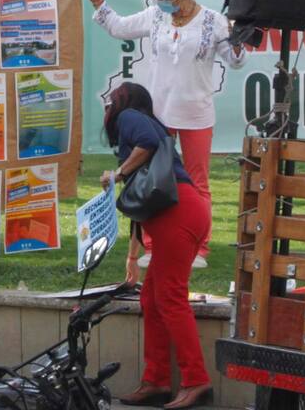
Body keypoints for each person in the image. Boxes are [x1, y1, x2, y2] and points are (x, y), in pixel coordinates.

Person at [73, 0, 244, 266]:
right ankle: (152, 246)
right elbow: (118, 27)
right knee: (150, 178)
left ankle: (199, 249)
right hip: (160, 113)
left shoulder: (213, 22)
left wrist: (239, 38)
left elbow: (235, 61)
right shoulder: (155, 16)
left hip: (197, 114)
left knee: (197, 182)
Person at [100, 82, 212, 410]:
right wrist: (132, 257)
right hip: (179, 214)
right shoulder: (142, 124)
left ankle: (197, 381)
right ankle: (156, 381)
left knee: (170, 297)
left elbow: (148, 143)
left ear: (125, 102)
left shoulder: (130, 116)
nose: (108, 106)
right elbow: (142, 208)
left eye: (112, 100)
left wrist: (118, 174)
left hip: (179, 214)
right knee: (151, 298)